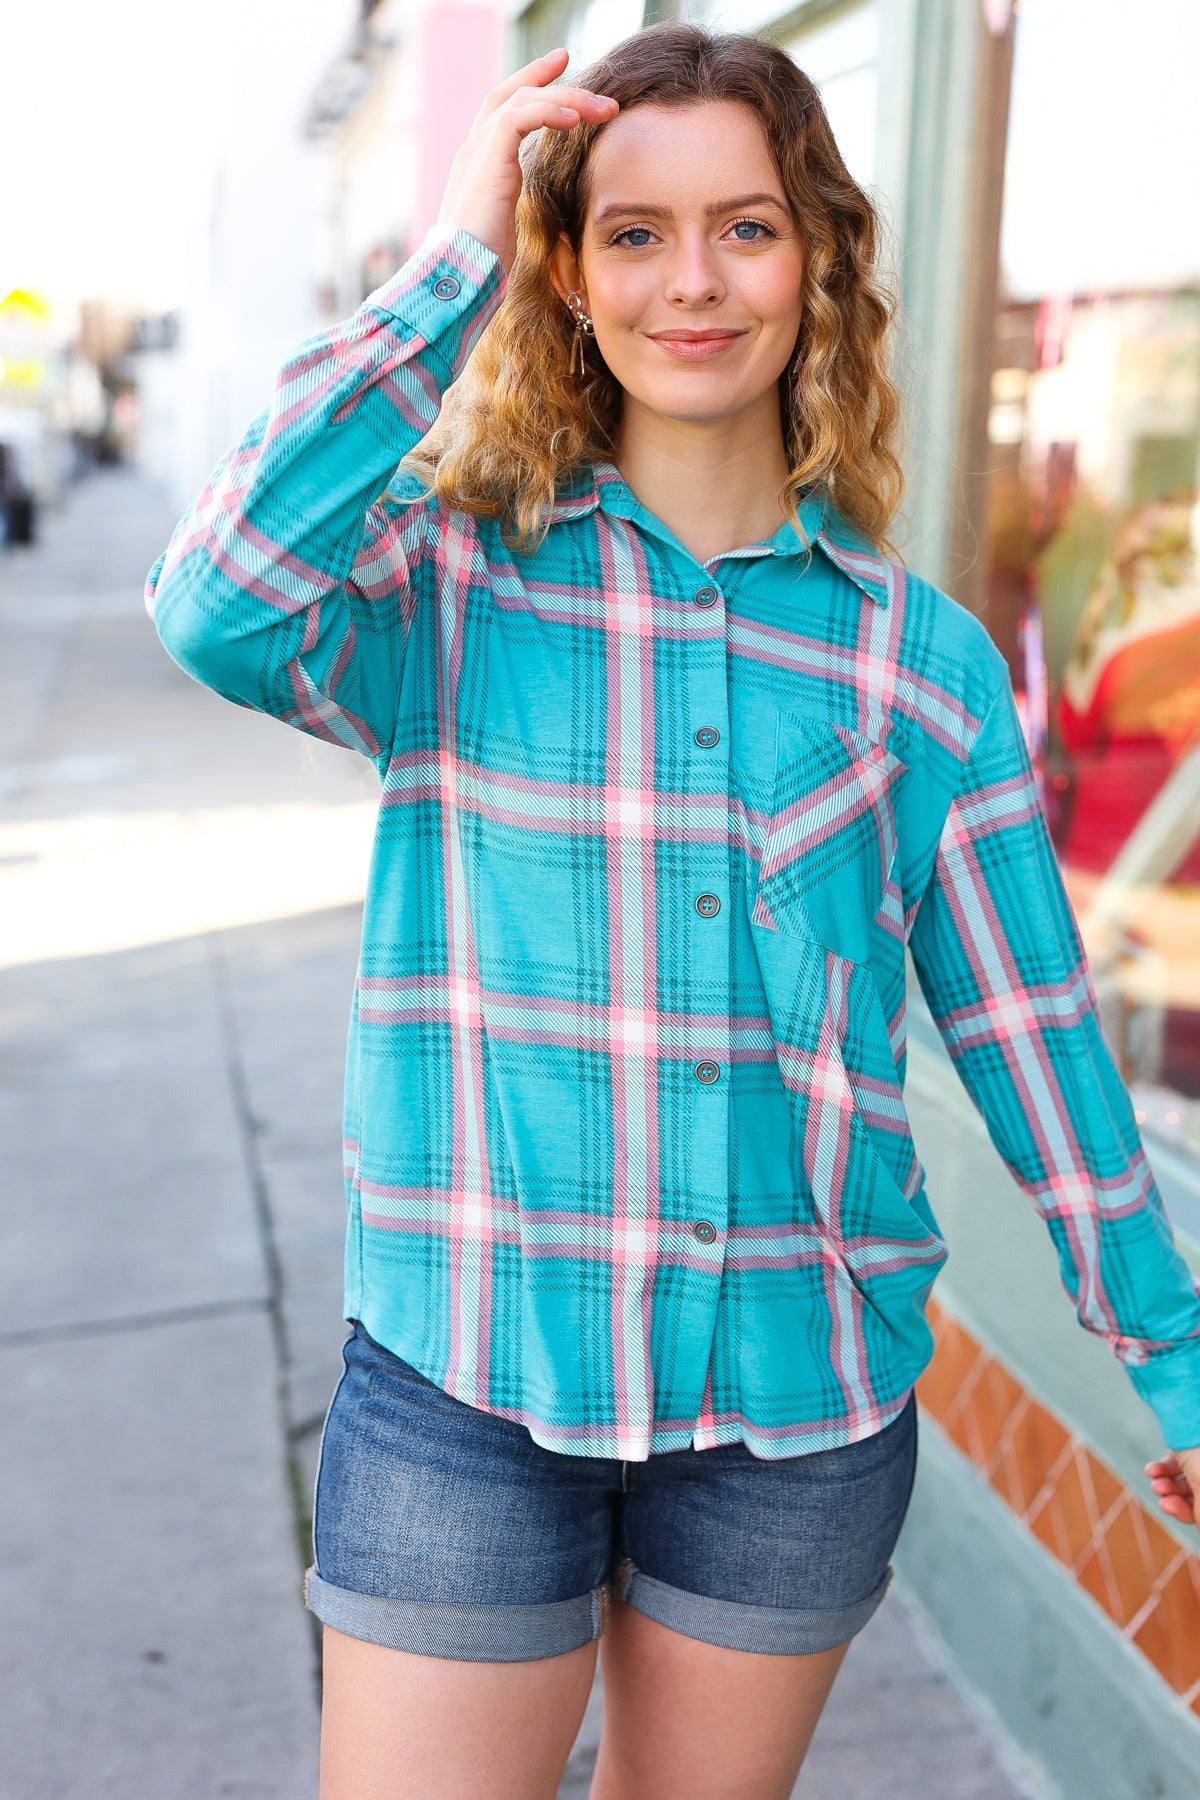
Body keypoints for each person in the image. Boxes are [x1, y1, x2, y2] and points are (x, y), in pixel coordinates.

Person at [145, 23, 1200, 1800]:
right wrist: (459, 254)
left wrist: (1172, 1356)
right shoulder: (444, 577)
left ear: (816, 262)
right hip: (472, 1380)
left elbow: (1035, 1044)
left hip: (796, 1411)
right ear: (566, 273)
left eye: (747, 228)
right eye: (633, 234)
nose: (693, 282)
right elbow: (215, 601)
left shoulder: (918, 664)